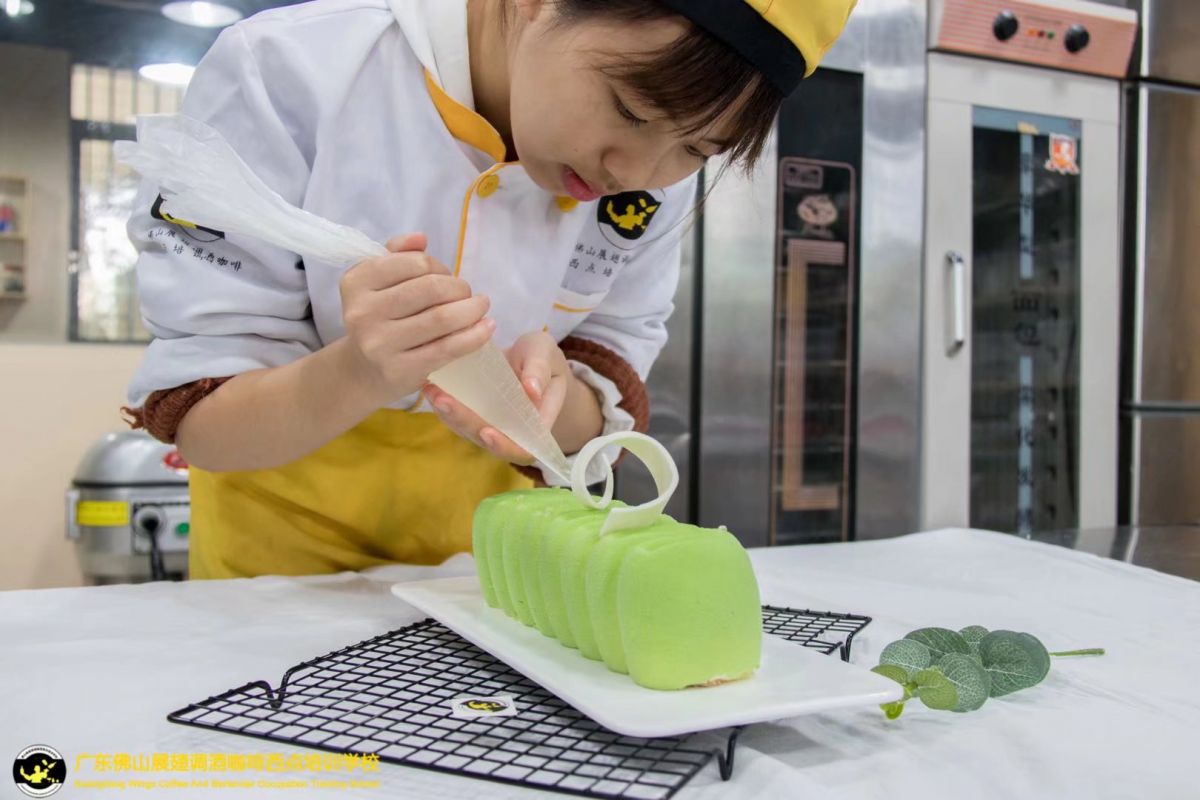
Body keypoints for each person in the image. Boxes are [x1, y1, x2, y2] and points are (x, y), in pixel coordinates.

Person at [123, 0, 857, 578]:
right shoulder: (292, 71)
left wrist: (551, 402)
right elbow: (202, 422)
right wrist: (359, 371)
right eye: (630, 109)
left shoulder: (652, 182)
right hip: (277, 575)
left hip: (494, 578)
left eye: (697, 148)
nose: (636, 171)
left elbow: (609, 384)